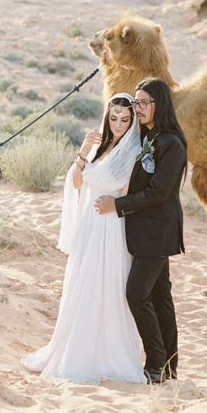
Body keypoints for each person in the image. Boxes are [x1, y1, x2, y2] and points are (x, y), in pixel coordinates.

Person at [21, 94, 146, 384]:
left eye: (125, 120)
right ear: (107, 116)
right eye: (113, 118)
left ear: (131, 121)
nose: (118, 124)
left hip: (110, 225)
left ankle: (107, 352)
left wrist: (115, 204)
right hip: (90, 225)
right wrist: (83, 150)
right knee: (82, 282)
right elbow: (77, 182)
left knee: (107, 284)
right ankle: (75, 346)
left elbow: (127, 192)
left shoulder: (133, 150)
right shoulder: (98, 145)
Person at [96, 78, 187, 385]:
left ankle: (156, 363)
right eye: (136, 103)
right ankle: (170, 364)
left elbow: (158, 193)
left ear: (159, 104)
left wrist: (117, 205)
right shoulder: (151, 137)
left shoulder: (171, 144)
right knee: (160, 296)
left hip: (158, 231)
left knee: (136, 293)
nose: (139, 108)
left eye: (144, 102)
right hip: (146, 230)